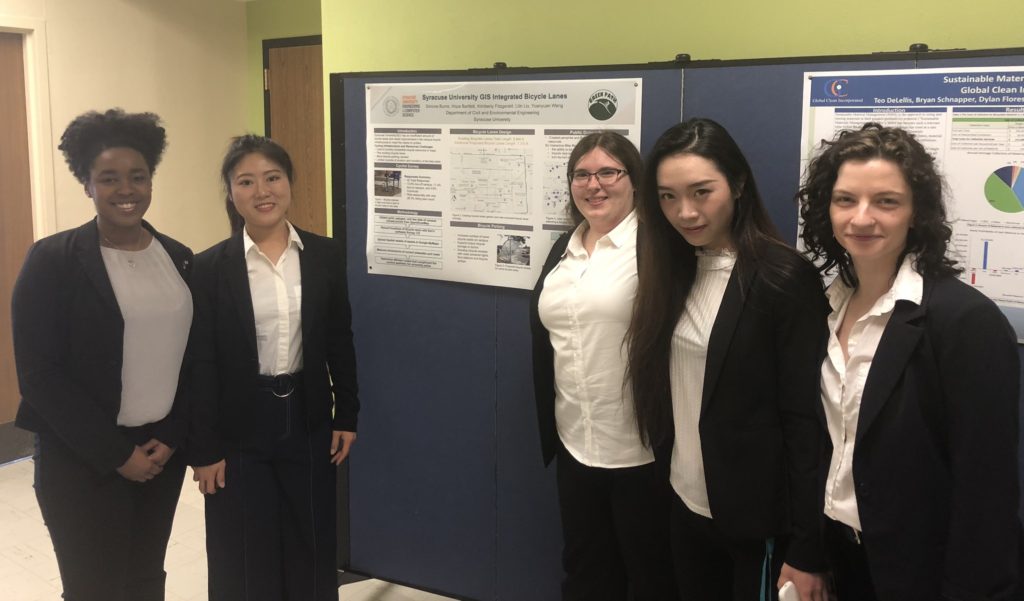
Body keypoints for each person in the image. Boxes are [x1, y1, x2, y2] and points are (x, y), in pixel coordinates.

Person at [798, 123, 1020, 600]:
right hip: (842, 555)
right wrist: (809, 553)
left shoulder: (964, 321)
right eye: (845, 200)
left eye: (886, 201)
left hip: (924, 571)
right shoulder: (826, 307)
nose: (862, 218)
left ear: (916, 212)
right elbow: (824, 447)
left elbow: (987, 488)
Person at [627, 118, 829, 600]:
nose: (685, 212)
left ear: (737, 184)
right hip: (683, 502)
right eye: (668, 196)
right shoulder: (673, 270)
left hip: (753, 521)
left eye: (701, 192)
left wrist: (807, 548)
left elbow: (807, 423)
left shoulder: (782, 278)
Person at [11, 109, 192, 600]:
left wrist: (171, 439)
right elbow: (39, 375)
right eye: (108, 178)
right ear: (86, 184)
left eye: (137, 176)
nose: (126, 189)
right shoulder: (53, 261)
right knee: (95, 587)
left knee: (145, 579)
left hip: (159, 454)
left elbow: (193, 361)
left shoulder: (177, 257)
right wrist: (117, 455)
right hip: (82, 459)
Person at [188, 135, 359, 601]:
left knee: (311, 540)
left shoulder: (324, 255)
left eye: (272, 177)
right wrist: (203, 447)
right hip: (237, 425)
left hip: (306, 416)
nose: (262, 191)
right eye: (246, 181)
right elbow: (199, 362)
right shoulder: (208, 268)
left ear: (289, 183)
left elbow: (340, 338)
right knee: (241, 551)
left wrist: (347, 412)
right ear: (231, 192)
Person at [529, 131, 677, 601]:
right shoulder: (564, 250)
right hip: (576, 444)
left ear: (634, 180)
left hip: (643, 452)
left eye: (608, 172)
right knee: (587, 573)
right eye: (581, 174)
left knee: (653, 578)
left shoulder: (659, 248)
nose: (594, 185)